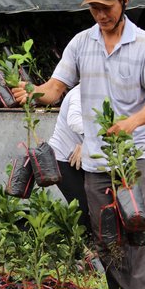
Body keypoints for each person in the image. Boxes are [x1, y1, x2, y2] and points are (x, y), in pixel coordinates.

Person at [12, 0, 145, 289]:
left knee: (138, 229)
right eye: (94, 7)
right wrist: (33, 93)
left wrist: (130, 124)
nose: (100, 14)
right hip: (97, 161)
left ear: (125, 1)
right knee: (105, 235)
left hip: (135, 157)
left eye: (107, 6)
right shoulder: (81, 43)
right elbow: (55, 88)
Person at [48, 85, 92, 238]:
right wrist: (91, 138)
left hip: (84, 157)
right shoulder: (79, 93)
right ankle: (78, 251)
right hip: (63, 158)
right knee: (82, 207)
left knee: (95, 205)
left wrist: (87, 143)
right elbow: (74, 121)